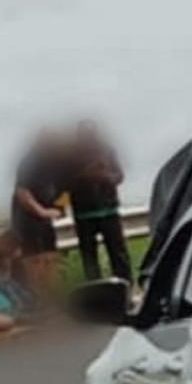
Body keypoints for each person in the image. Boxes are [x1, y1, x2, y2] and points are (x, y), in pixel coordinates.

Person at [68, 120, 131, 282]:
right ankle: (95, 291)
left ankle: (125, 286)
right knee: (89, 257)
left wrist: (106, 177)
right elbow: (64, 182)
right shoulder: (70, 155)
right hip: (84, 214)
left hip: (109, 209)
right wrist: (85, 176)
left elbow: (119, 176)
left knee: (118, 253)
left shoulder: (107, 150)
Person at [10, 128, 66, 267]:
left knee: (51, 259)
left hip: (46, 224)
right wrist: (42, 212)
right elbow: (22, 192)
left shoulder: (55, 163)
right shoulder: (30, 162)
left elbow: (65, 189)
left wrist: (60, 207)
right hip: (28, 223)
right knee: (35, 262)